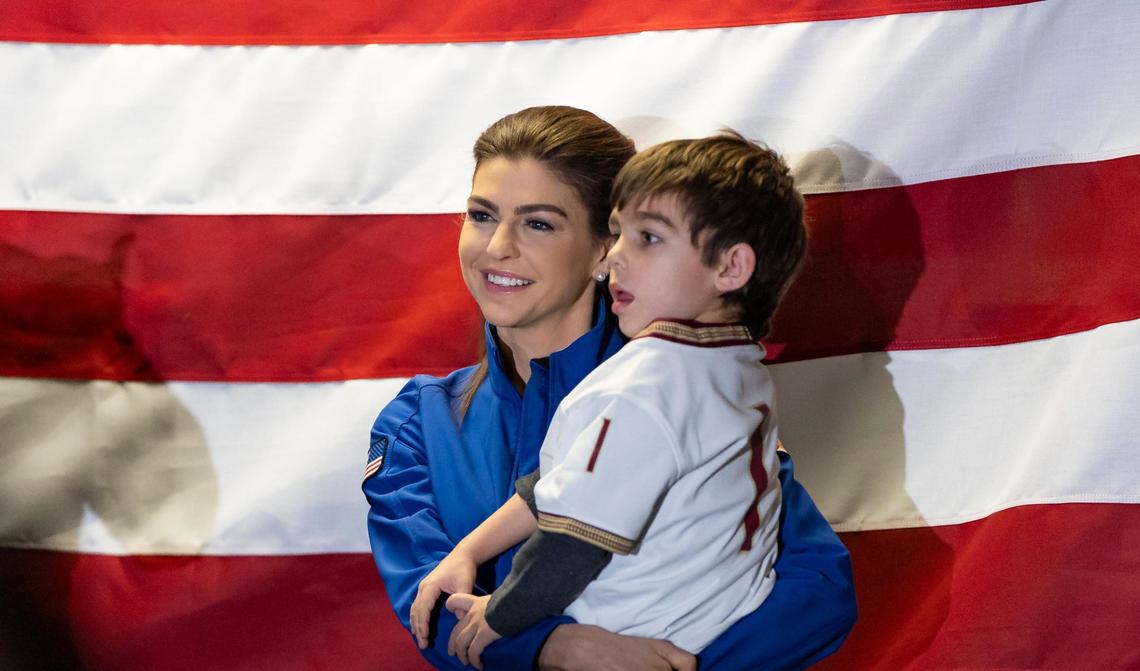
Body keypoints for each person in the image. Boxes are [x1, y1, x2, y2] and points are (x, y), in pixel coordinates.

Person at [362, 106, 856, 671]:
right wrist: (555, 648)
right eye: (481, 215)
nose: (497, 246)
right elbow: (428, 607)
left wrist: (669, 664)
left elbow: (818, 590)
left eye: (538, 223)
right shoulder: (415, 424)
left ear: (604, 249)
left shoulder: (685, 388)